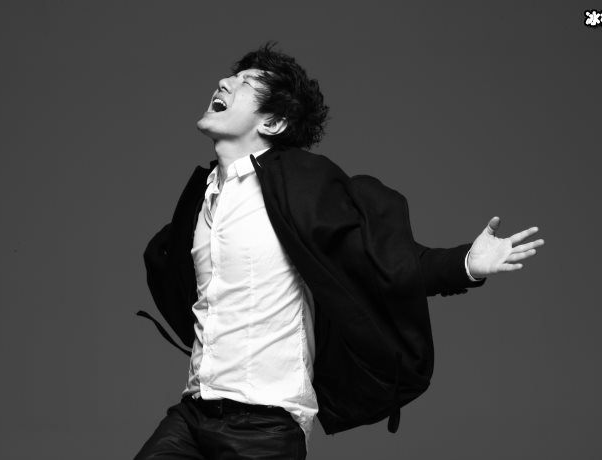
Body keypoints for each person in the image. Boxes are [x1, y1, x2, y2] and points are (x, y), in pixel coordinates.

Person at [134, 42, 544, 460]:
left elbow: (384, 260)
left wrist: (465, 264)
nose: (225, 81)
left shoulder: (301, 186)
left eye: (246, 82)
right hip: (194, 411)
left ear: (273, 122)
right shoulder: (203, 199)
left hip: (263, 425)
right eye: (232, 76)